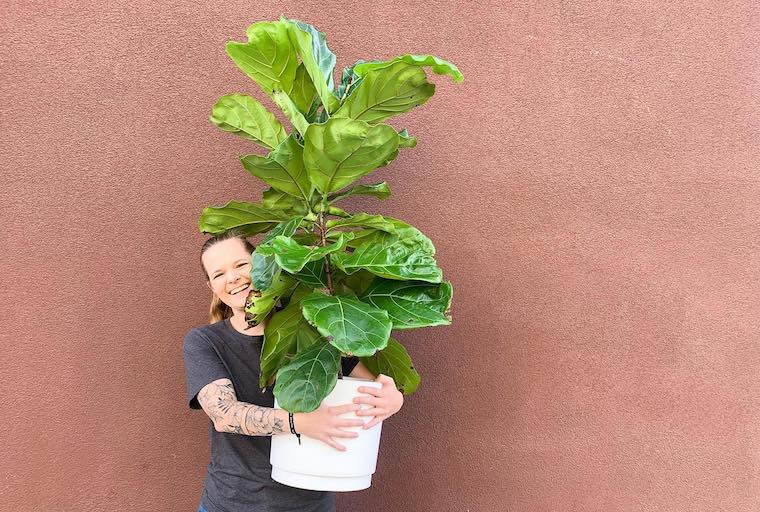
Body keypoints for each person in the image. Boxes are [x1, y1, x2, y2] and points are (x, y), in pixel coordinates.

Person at [183, 229, 404, 512]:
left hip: (308, 503)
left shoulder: (314, 329)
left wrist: (392, 399)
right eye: (219, 274)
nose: (233, 278)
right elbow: (224, 415)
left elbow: (368, 388)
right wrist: (301, 422)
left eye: (241, 265)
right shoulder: (204, 341)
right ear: (212, 287)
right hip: (231, 503)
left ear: (263, 265)